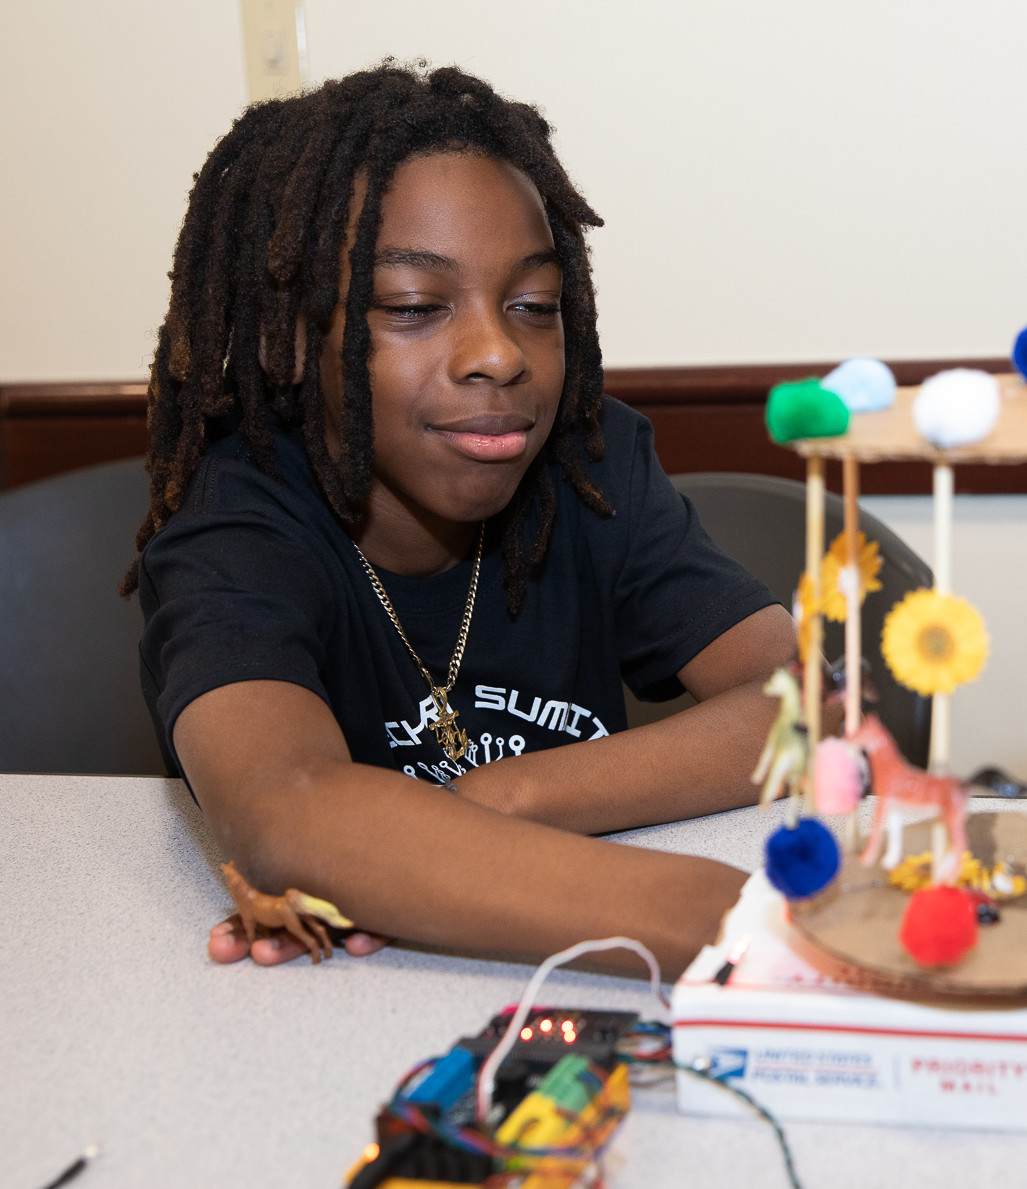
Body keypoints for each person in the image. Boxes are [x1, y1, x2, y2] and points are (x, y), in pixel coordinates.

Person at [130, 62, 794, 976]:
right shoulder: (236, 519)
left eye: (535, 306)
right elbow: (285, 811)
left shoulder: (588, 466)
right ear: (292, 334)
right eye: (412, 307)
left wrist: (491, 807)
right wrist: (727, 926)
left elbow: (811, 708)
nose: (497, 353)